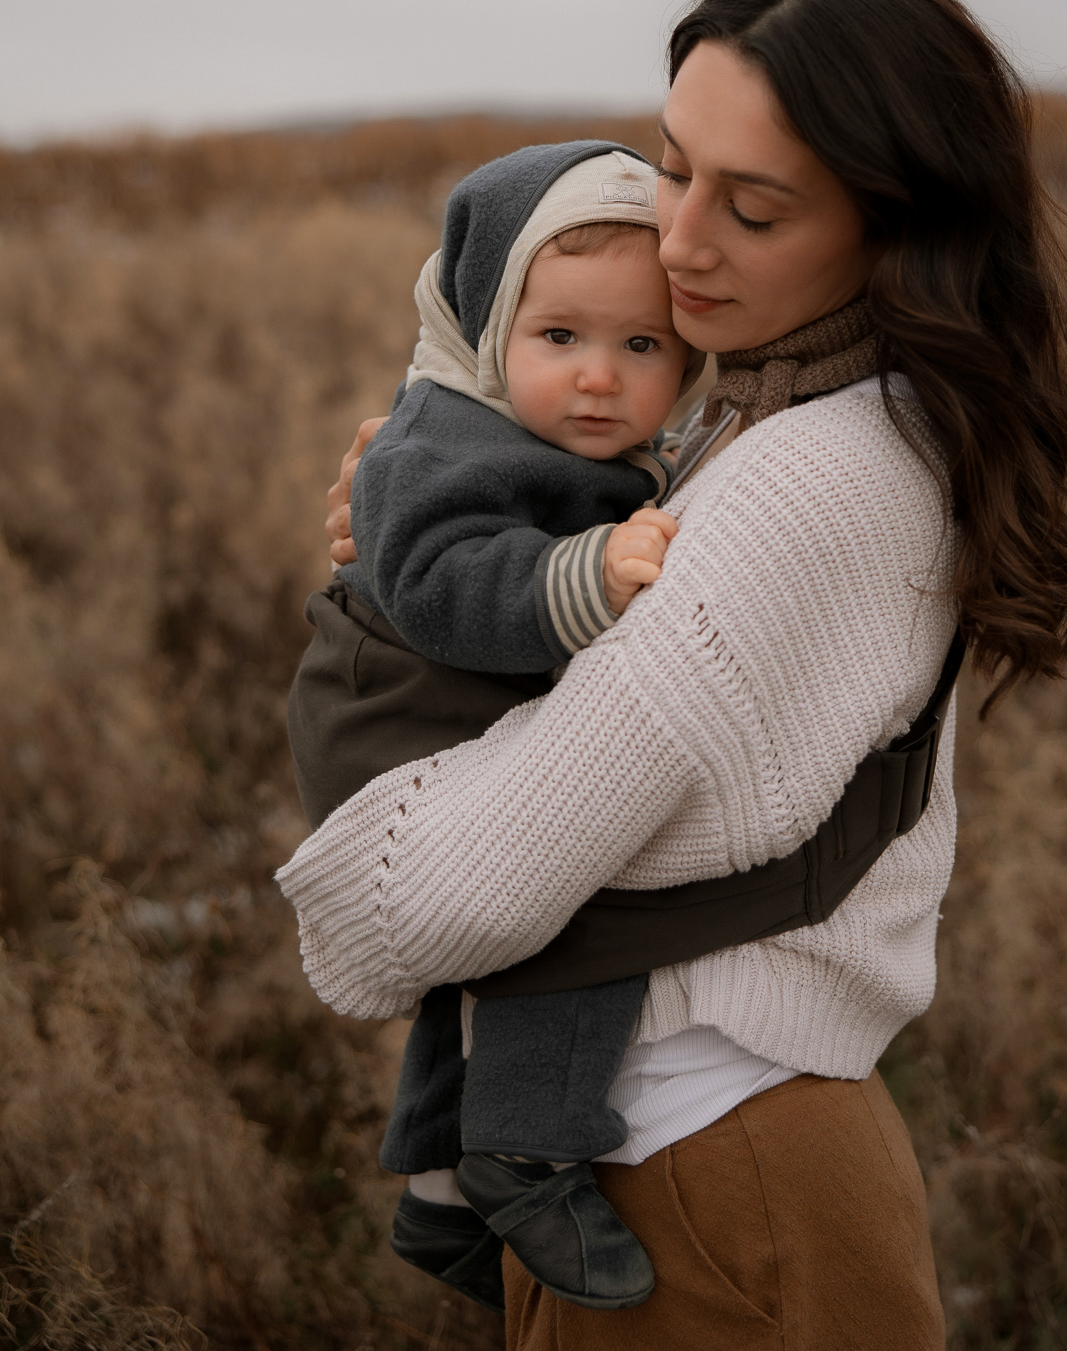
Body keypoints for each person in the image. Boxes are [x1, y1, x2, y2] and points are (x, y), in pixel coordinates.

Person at [280, 0, 1067, 1349]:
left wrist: (358, 814)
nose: (676, 243)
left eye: (754, 207)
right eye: (673, 168)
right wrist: (451, 486)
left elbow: (422, 911)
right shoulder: (779, 418)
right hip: (680, 1150)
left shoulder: (807, 478)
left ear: (889, 224)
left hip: (704, 1172)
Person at [290, 141, 706, 1313]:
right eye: (559, 338)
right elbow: (438, 582)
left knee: (470, 963)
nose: (597, 379)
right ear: (485, 327)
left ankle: (438, 1191)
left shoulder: (567, 438)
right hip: (395, 721)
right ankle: (526, 1144)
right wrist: (585, 572)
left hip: (438, 710)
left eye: (643, 346)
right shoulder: (441, 439)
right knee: (570, 907)